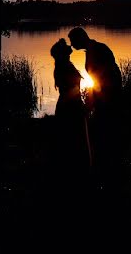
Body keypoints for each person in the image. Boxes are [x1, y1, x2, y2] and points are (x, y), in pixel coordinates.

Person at [50, 38, 90, 171]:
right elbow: (70, 89)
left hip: (69, 103)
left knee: (71, 136)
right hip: (70, 105)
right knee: (73, 136)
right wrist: (80, 104)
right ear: (62, 53)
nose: (69, 47)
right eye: (66, 47)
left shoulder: (64, 65)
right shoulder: (64, 67)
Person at [68, 27, 122, 115]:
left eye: (72, 40)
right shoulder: (92, 49)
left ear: (80, 38)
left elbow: (110, 72)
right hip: (104, 93)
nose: (71, 44)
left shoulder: (98, 49)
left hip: (108, 94)